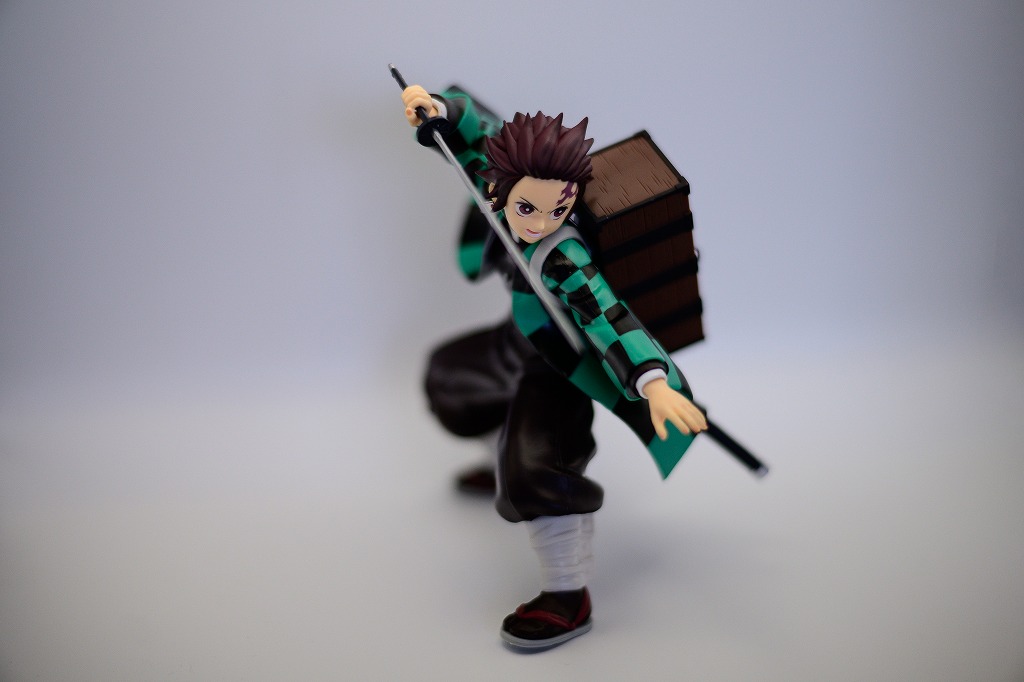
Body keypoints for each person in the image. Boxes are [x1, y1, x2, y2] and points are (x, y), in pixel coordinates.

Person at [401, 84, 707, 650]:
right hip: (519, 340)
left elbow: (608, 317)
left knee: (537, 466)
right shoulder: (493, 180)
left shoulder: (564, 255)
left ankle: (567, 593)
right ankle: (500, 450)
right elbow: (475, 133)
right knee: (451, 377)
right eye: (527, 209)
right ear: (499, 191)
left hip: (558, 365)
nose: (541, 222)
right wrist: (440, 110)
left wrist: (654, 382)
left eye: (558, 209)